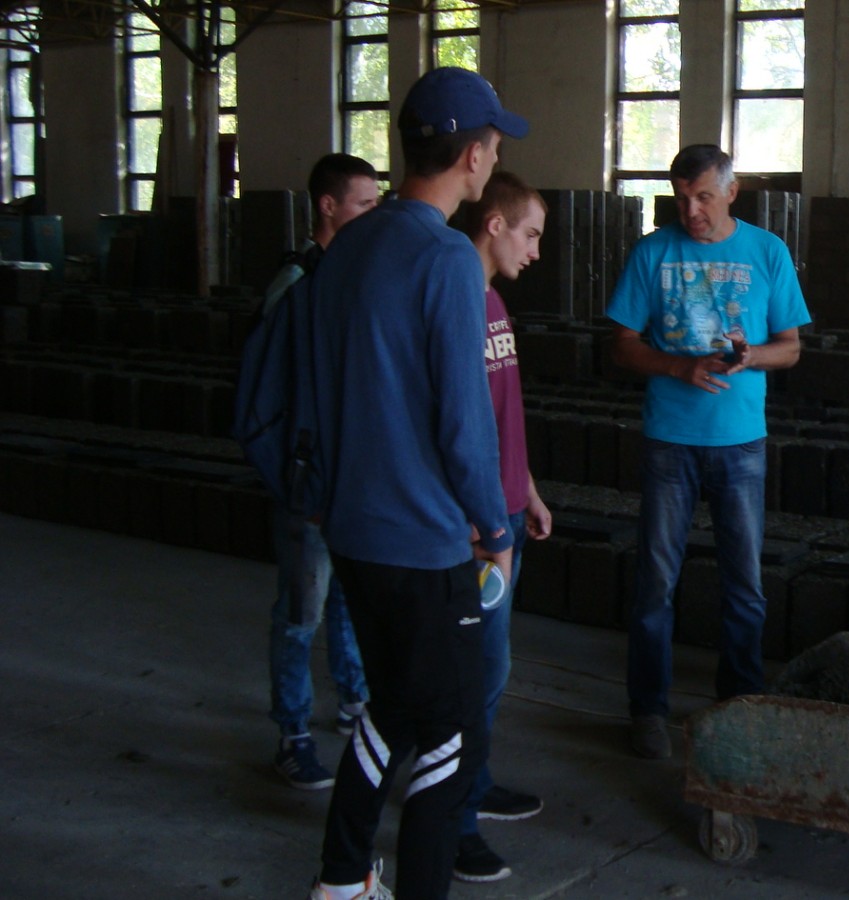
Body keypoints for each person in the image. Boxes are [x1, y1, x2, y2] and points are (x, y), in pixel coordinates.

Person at [302, 67, 527, 900]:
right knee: (448, 736)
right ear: (472, 156)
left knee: (393, 707)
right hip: (425, 541)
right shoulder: (445, 259)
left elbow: (315, 391)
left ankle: (342, 879)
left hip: (353, 529)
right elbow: (464, 423)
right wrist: (494, 528)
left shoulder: (349, 247)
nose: (491, 158)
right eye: (492, 145)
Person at [606, 144, 811, 760]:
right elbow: (621, 344)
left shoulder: (767, 252)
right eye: (681, 198)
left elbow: (791, 347)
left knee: (744, 583)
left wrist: (752, 356)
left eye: (702, 197)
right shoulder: (653, 253)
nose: (690, 210)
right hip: (670, 440)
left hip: (740, 443)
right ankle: (648, 709)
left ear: (730, 192)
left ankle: (739, 703)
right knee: (655, 583)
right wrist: (679, 366)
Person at [445, 171, 554, 883]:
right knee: (472, 676)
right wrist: (484, 524)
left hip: (506, 509)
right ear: (494, 225)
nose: (536, 251)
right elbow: (453, 429)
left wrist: (528, 492)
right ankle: (453, 824)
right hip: (481, 526)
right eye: (531, 234)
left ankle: (475, 786)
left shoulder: (492, 301)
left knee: (492, 669)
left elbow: (500, 415)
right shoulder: (457, 304)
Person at [265, 152, 381, 791]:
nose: (373, 215)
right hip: (308, 478)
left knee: (347, 599)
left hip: (350, 477)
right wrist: (294, 472)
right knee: (300, 610)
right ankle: (292, 731)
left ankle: (354, 700)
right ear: (328, 207)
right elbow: (274, 394)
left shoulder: (354, 277)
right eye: (364, 204)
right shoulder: (295, 285)